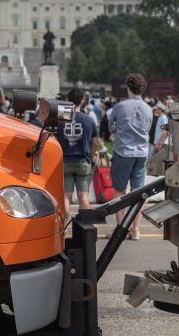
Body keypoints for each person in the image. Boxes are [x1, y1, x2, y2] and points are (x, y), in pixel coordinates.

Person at [109, 73, 153, 240]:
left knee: (119, 191)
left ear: (128, 87)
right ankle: (136, 230)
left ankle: (122, 229)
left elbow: (110, 125)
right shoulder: (149, 109)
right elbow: (148, 128)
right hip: (141, 152)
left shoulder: (120, 107)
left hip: (123, 151)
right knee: (139, 192)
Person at [55, 88, 103, 212]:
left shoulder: (60, 120)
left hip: (65, 162)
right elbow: (94, 142)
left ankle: (64, 227)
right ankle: (85, 227)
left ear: (67, 100)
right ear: (82, 101)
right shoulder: (89, 120)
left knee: (66, 197)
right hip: (83, 161)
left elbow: (54, 140)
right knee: (83, 196)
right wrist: (91, 157)